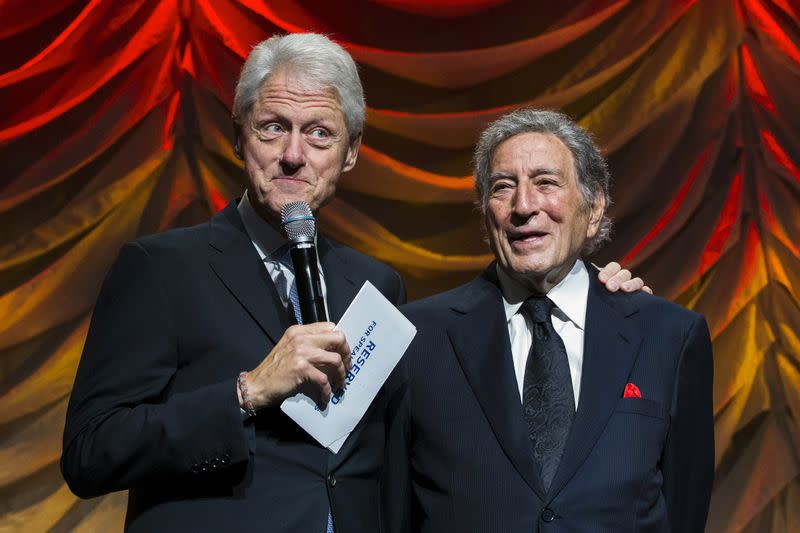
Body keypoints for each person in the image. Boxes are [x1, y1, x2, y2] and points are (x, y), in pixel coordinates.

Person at [60, 34, 646, 532]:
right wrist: (246, 391)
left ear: (349, 155)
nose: (294, 155)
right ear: (239, 136)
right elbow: (90, 453)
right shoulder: (161, 269)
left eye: (319, 134)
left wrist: (586, 294)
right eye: (272, 128)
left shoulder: (376, 283)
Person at [385, 108, 714, 532]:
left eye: (546, 183)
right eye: (504, 187)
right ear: (486, 213)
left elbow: (684, 509)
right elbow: (390, 510)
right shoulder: (417, 337)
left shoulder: (668, 336)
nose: (524, 206)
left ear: (593, 207)